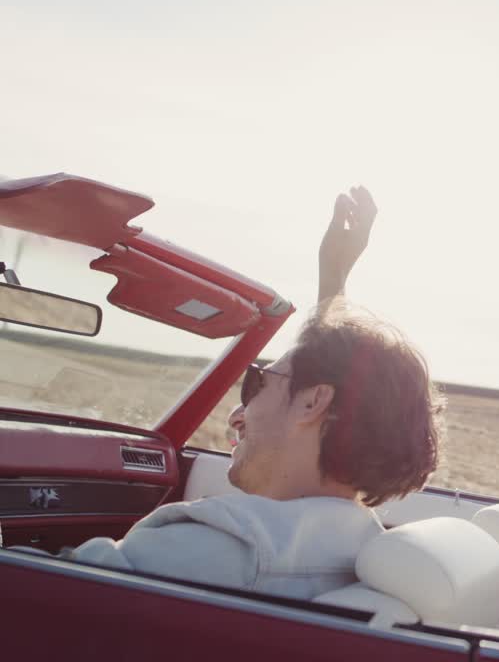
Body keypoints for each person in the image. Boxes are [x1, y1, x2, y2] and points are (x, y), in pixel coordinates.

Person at [65, 187, 444, 600]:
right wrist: (332, 278)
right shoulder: (364, 550)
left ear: (314, 403)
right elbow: (343, 384)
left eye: (257, 383)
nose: (235, 416)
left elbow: (44, 594)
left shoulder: (219, 547)